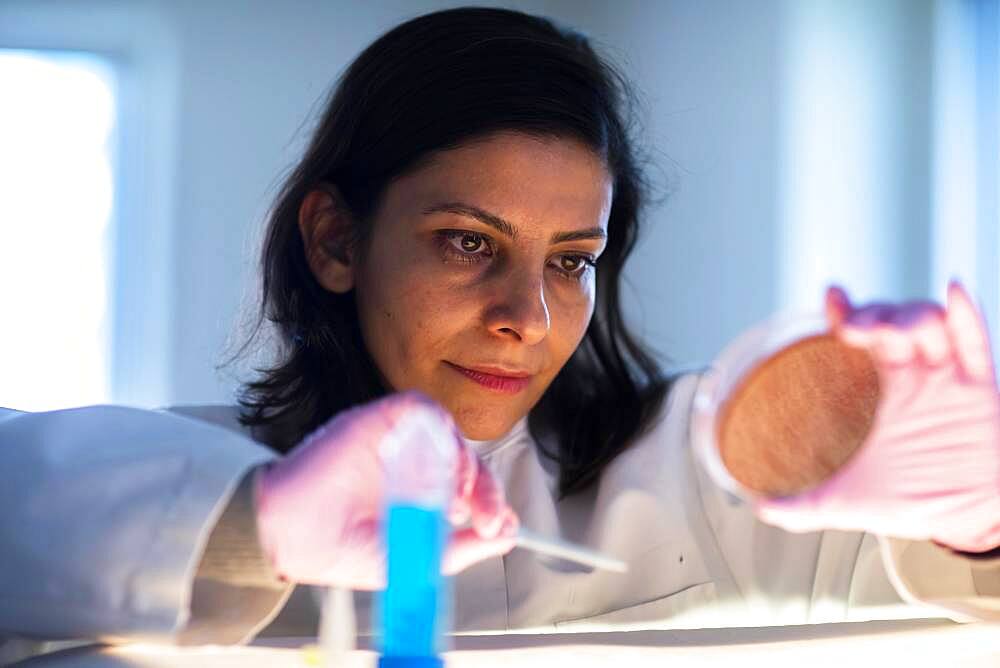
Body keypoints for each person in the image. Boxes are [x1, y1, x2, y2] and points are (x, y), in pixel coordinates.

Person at [3, 5, 1000, 663]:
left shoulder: (700, 481)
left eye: (570, 259)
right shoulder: (159, 479)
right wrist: (248, 527)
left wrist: (978, 524)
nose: (524, 316)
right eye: (467, 241)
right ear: (336, 237)